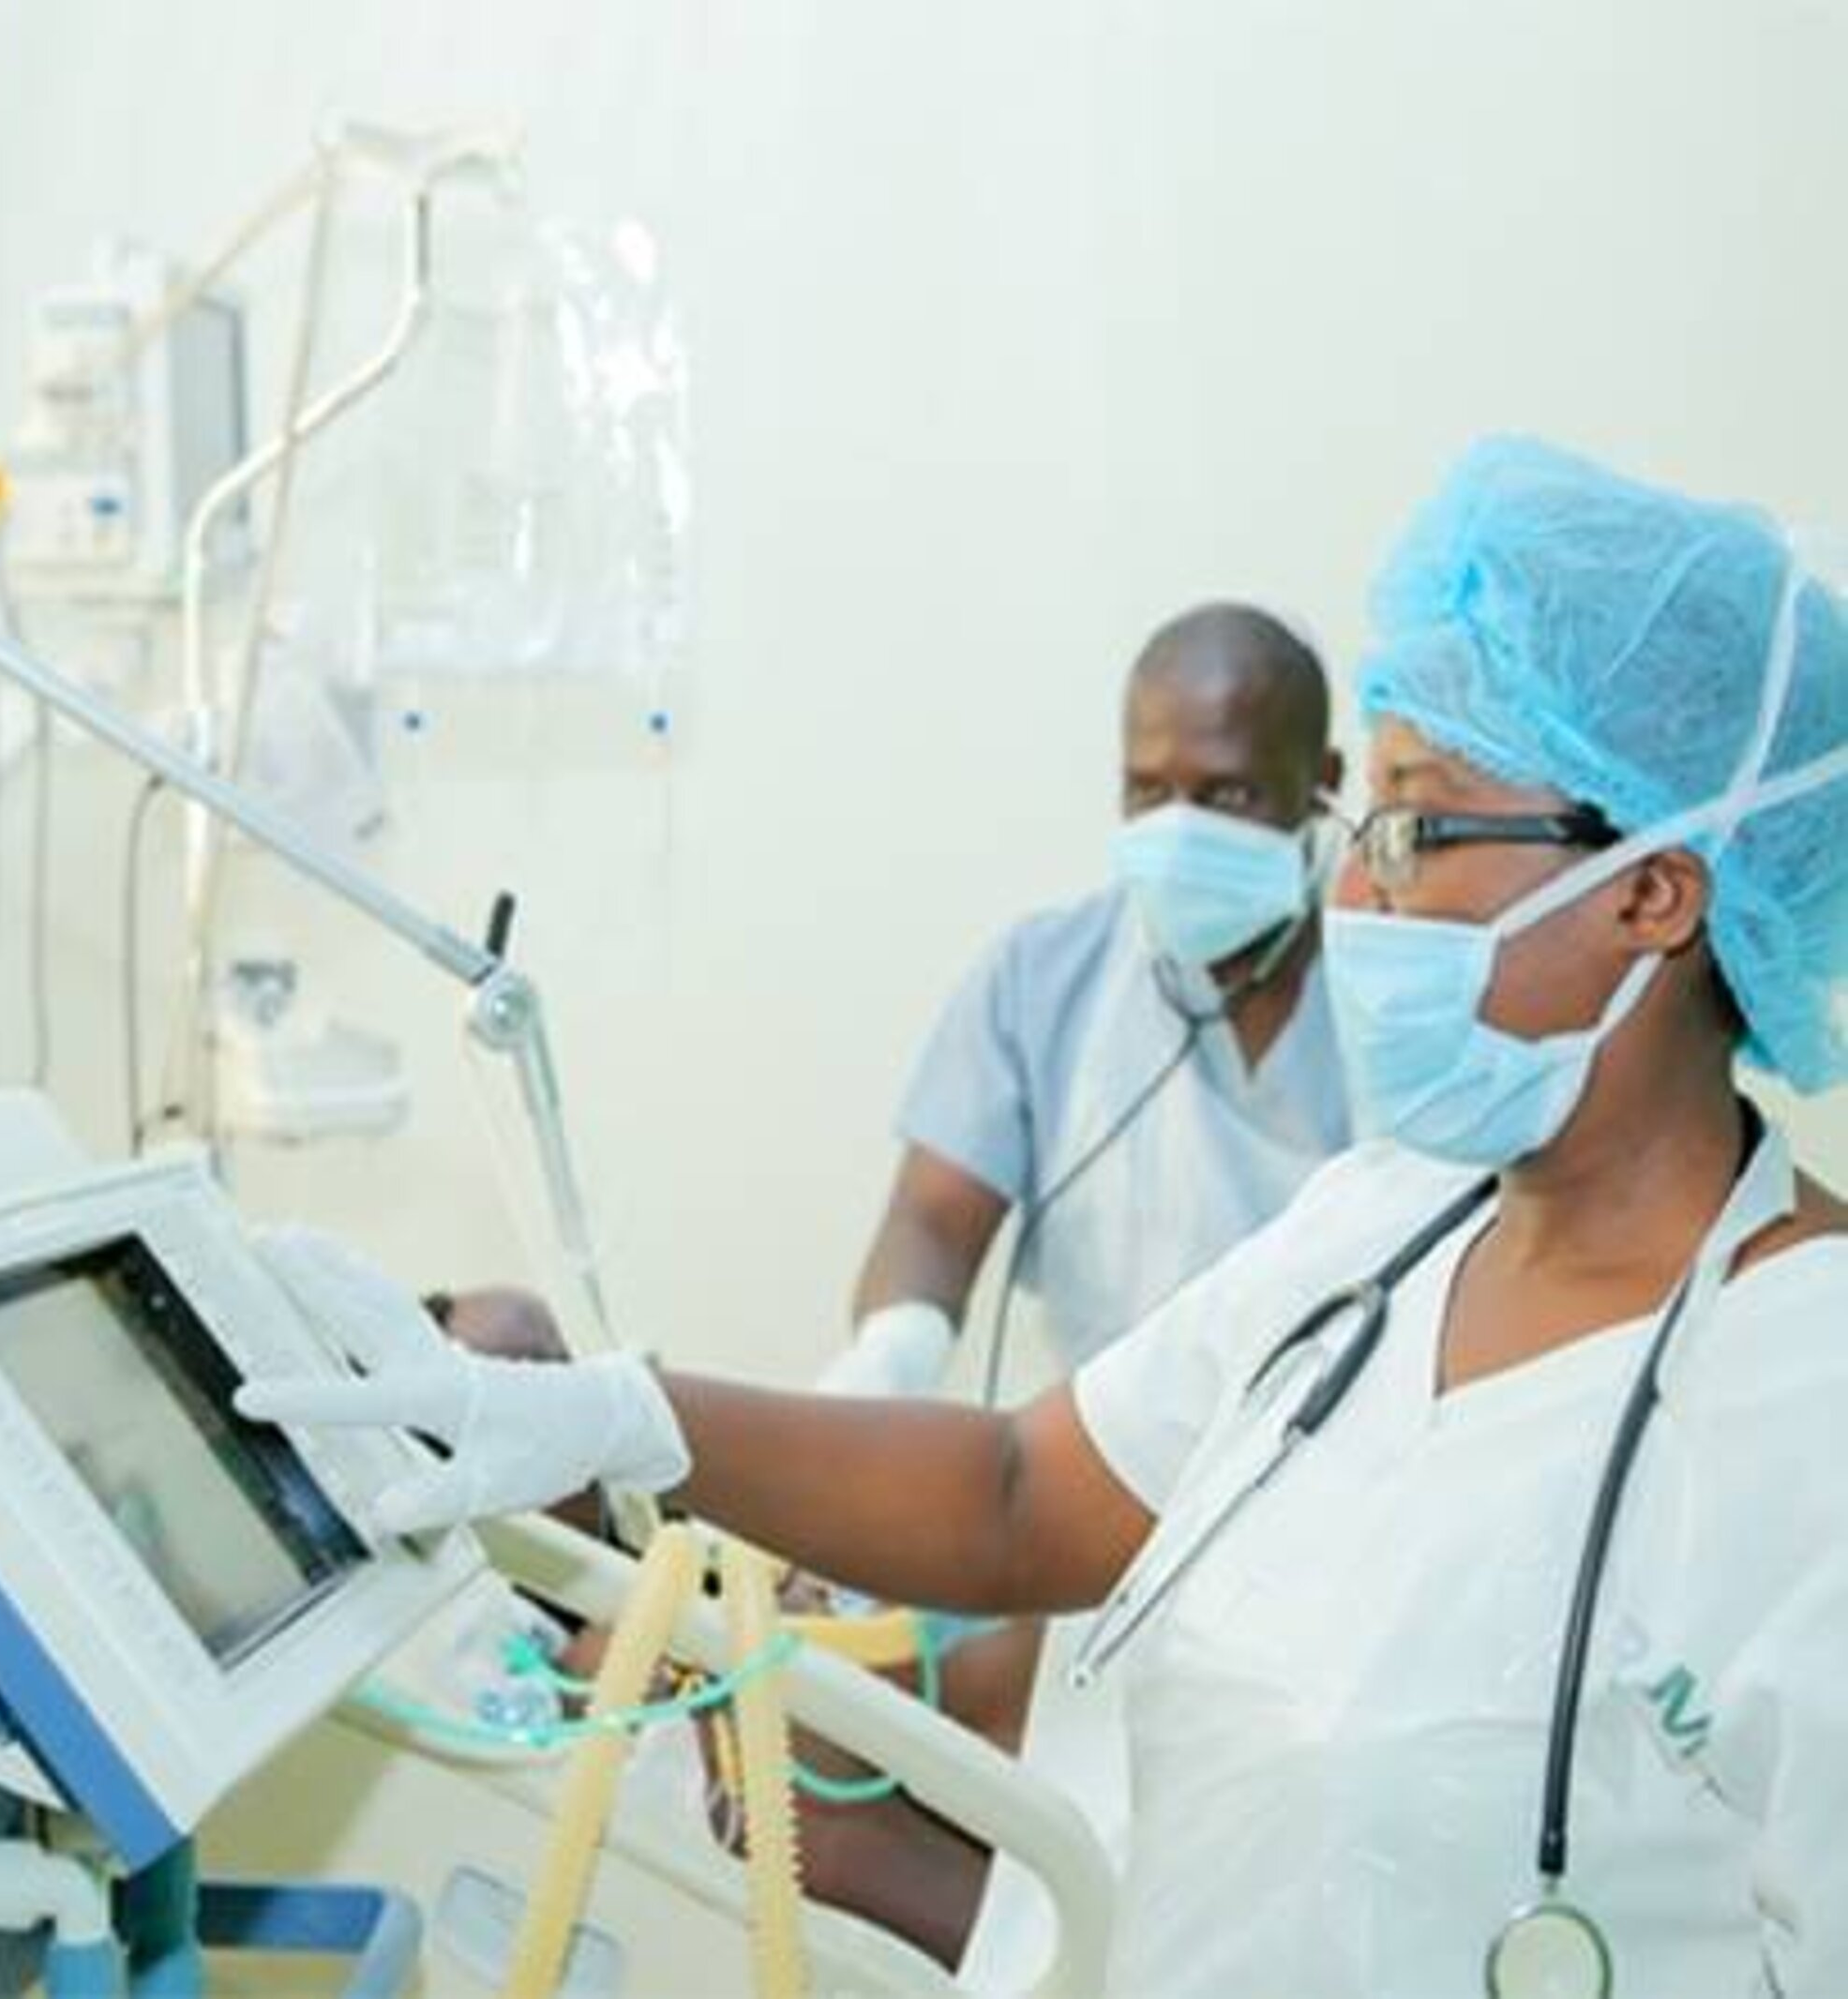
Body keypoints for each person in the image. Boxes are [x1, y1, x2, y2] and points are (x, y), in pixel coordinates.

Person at [245, 436, 1848, 1995]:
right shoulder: (1383, 1231)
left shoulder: (1808, 1398)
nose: (1357, 893)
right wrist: (608, 1416)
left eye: (1418, 826)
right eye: (1368, 828)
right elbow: (1017, 1493)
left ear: (1654, 892)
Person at [835, 603, 1349, 1401]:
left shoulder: (1394, 996)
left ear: (1323, 784)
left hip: (1331, 1450)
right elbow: (933, 1221)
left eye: (1227, 794)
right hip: (1097, 1453)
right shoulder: (1041, 978)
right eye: (1148, 791)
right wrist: (892, 1355)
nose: (1180, 831)